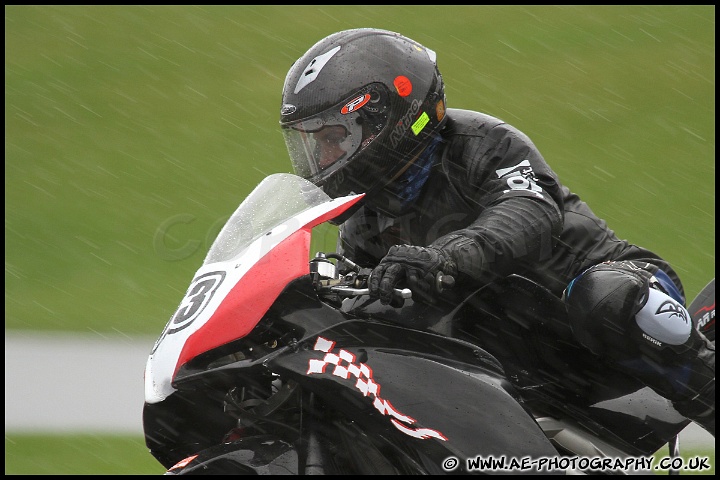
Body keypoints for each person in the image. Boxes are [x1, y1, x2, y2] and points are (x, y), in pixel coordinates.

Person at [279, 28, 714, 436]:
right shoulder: (364, 222)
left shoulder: (480, 142)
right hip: (533, 367)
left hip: (615, 299)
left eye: (334, 136)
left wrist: (446, 256)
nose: (323, 156)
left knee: (606, 297)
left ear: (385, 118)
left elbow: (529, 211)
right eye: (314, 143)